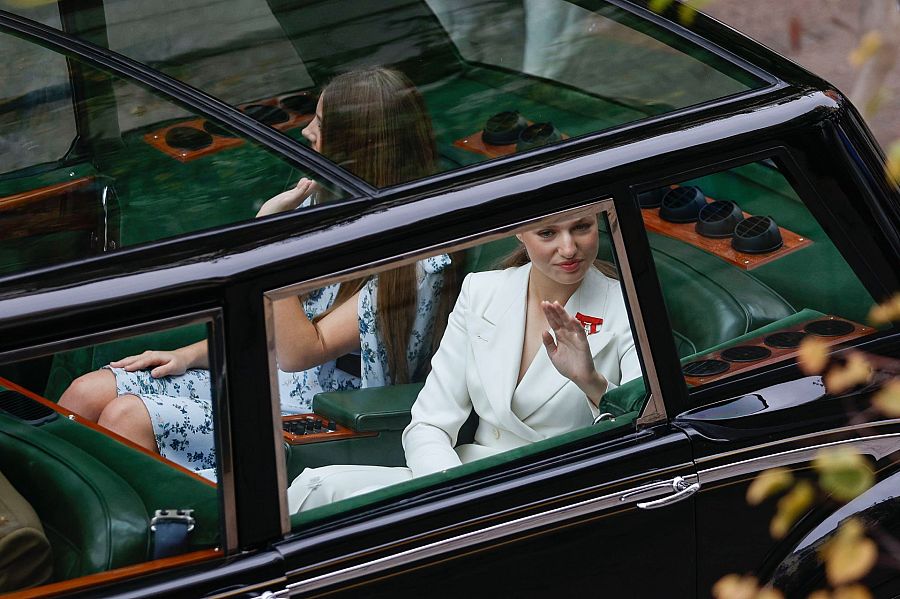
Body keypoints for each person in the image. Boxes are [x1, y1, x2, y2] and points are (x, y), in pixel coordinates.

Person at [58, 68, 458, 480]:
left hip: (327, 413)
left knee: (128, 417)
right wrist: (191, 356)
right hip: (270, 377)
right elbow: (272, 324)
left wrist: (269, 235)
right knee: (85, 394)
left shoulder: (417, 264)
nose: (307, 131)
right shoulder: (328, 201)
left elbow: (300, 349)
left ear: (358, 142)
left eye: (320, 123)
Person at [287, 211, 641, 512]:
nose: (568, 248)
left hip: (550, 492)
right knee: (317, 486)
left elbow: (642, 432)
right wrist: (450, 494)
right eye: (548, 232)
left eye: (581, 227)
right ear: (519, 231)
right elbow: (429, 423)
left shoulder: (626, 308)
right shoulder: (482, 292)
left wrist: (589, 381)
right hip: (463, 477)